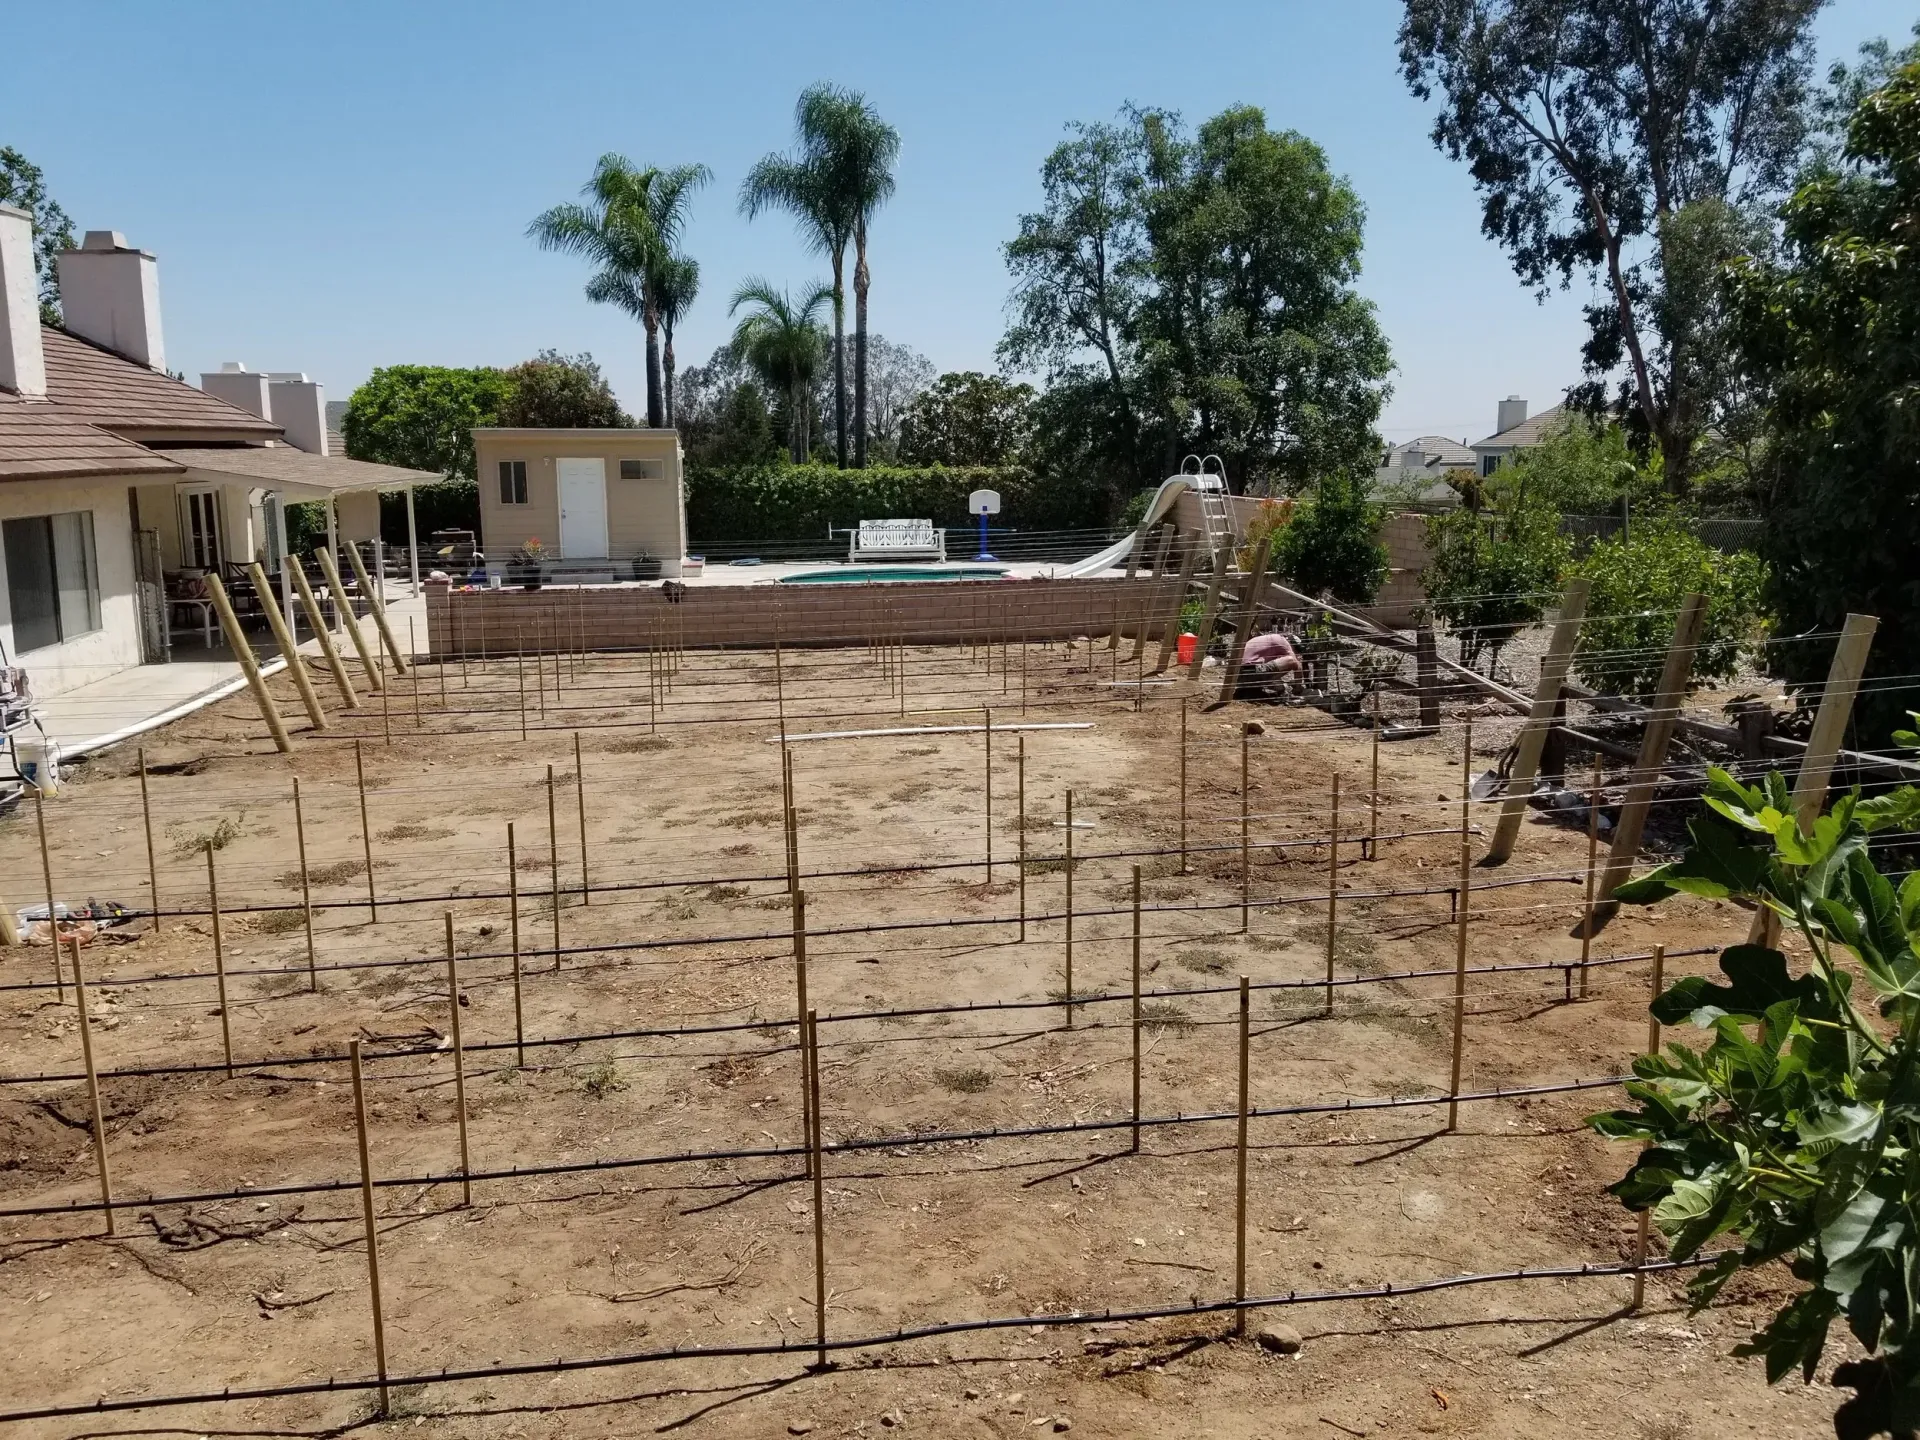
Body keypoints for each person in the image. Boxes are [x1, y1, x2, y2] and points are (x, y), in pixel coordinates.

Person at [1240, 629, 1302, 697]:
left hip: (1240, 675)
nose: (1296, 654)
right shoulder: (1284, 642)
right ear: (1291, 644)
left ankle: (1266, 685)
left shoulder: (1270, 640)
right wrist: (1298, 687)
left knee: (1283, 664)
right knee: (1291, 661)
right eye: (1296, 651)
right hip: (1250, 670)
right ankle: (1271, 683)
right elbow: (1296, 664)